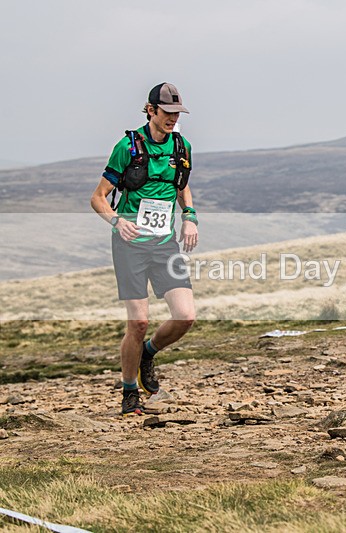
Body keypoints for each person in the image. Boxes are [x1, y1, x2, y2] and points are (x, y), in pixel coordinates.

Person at [90, 82, 198, 415]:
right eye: (167, 113)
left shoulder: (182, 147)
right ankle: (128, 392)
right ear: (151, 110)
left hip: (164, 244)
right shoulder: (128, 146)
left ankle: (147, 353)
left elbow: (183, 187)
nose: (172, 119)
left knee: (185, 316)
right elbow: (98, 197)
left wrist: (189, 218)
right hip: (130, 246)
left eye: (176, 114)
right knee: (137, 323)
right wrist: (116, 221)